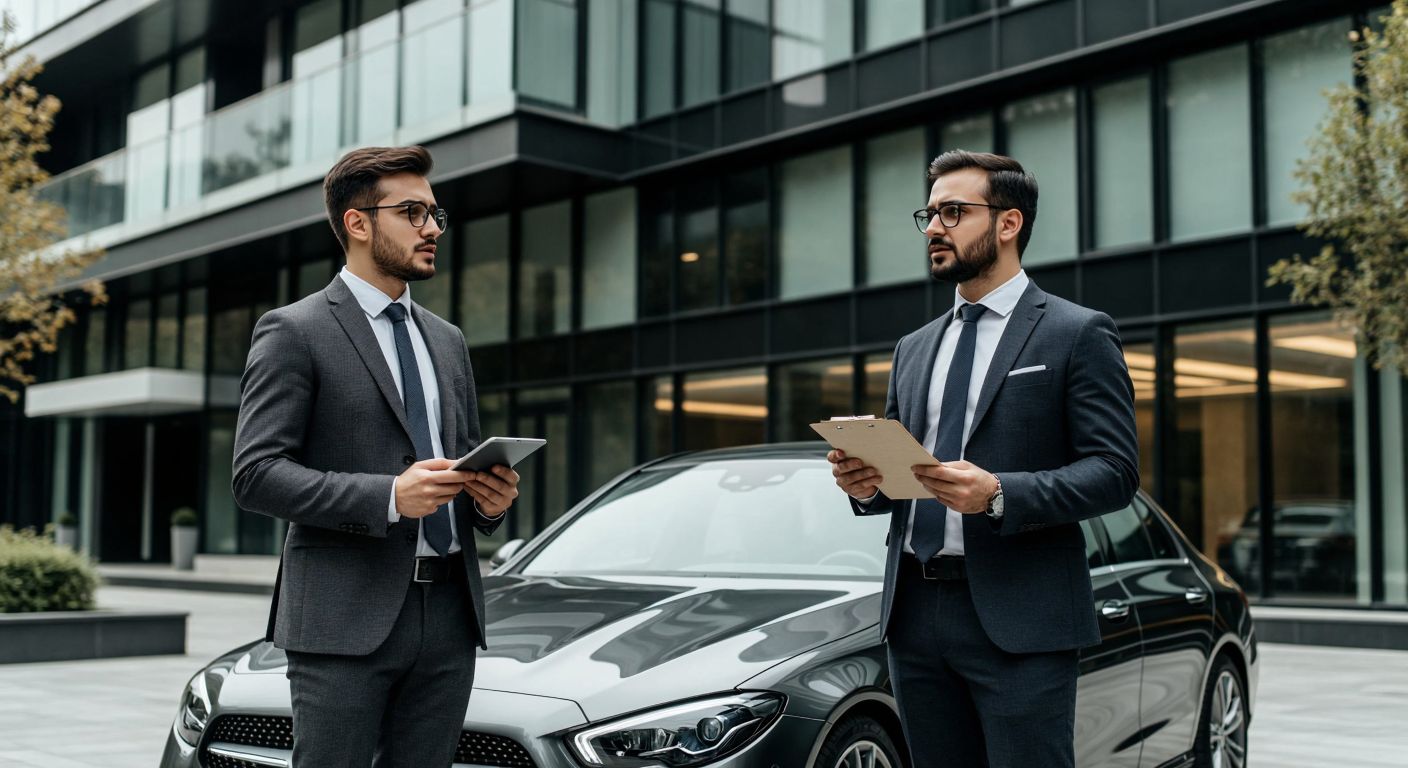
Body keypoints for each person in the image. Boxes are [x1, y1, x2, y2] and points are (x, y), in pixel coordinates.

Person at [828, 150, 1139, 767]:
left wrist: (1000, 493)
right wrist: (865, 484)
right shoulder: (914, 349)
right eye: (930, 215)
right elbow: (907, 481)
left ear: (1008, 223)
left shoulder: (1077, 332)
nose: (934, 229)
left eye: (953, 212)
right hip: (915, 617)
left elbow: (1115, 471)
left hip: (1023, 619)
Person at [232, 145, 519, 767]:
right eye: (413, 212)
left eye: (436, 214)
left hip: (448, 616)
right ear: (357, 224)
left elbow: (458, 462)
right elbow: (256, 475)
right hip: (343, 620)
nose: (432, 228)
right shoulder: (294, 330)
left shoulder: (447, 340)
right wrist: (389, 497)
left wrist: (489, 502)